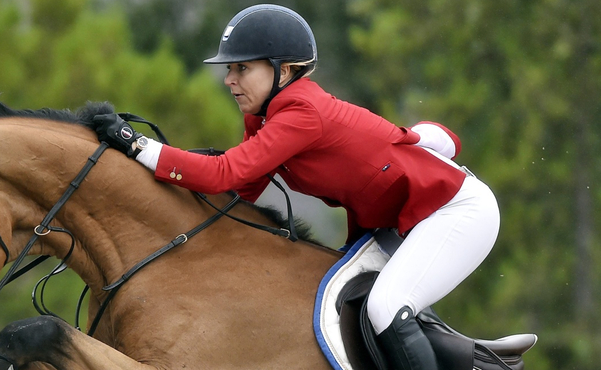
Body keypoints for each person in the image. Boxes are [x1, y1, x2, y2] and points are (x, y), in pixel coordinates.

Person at [92, 4, 499, 370]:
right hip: (399, 222)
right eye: (229, 69)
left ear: (283, 70)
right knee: (352, 307)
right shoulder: (266, 114)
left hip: (455, 213)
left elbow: (223, 174)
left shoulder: (302, 111)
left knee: (386, 307)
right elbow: (240, 194)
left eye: (242, 69)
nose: (229, 80)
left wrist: (138, 146)